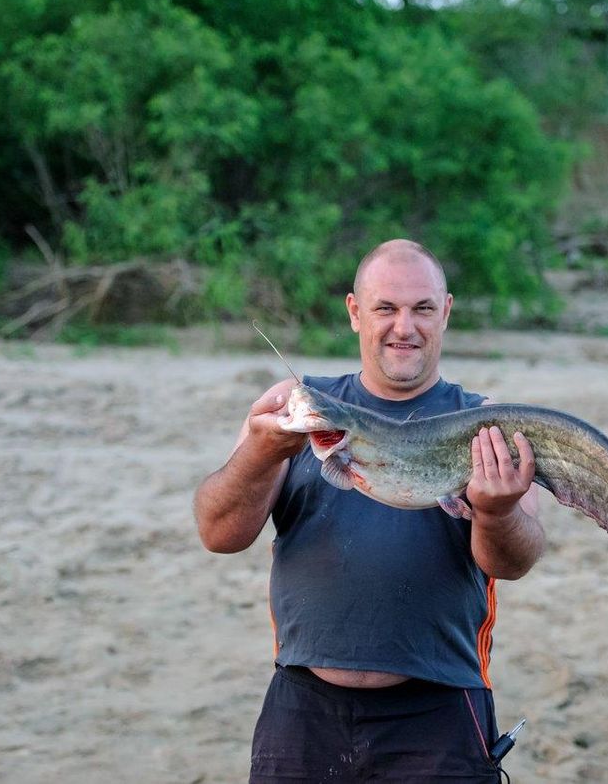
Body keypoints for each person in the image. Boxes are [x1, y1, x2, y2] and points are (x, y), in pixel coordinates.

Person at [194, 239, 545, 782]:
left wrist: (497, 513)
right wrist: (260, 455)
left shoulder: (487, 423)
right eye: (386, 308)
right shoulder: (296, 408)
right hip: (302, 709)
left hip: (441, 710)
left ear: (446, 312)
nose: (405, 327)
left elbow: (516, 562)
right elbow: (218, 533)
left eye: (422, 308)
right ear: (355, 312)